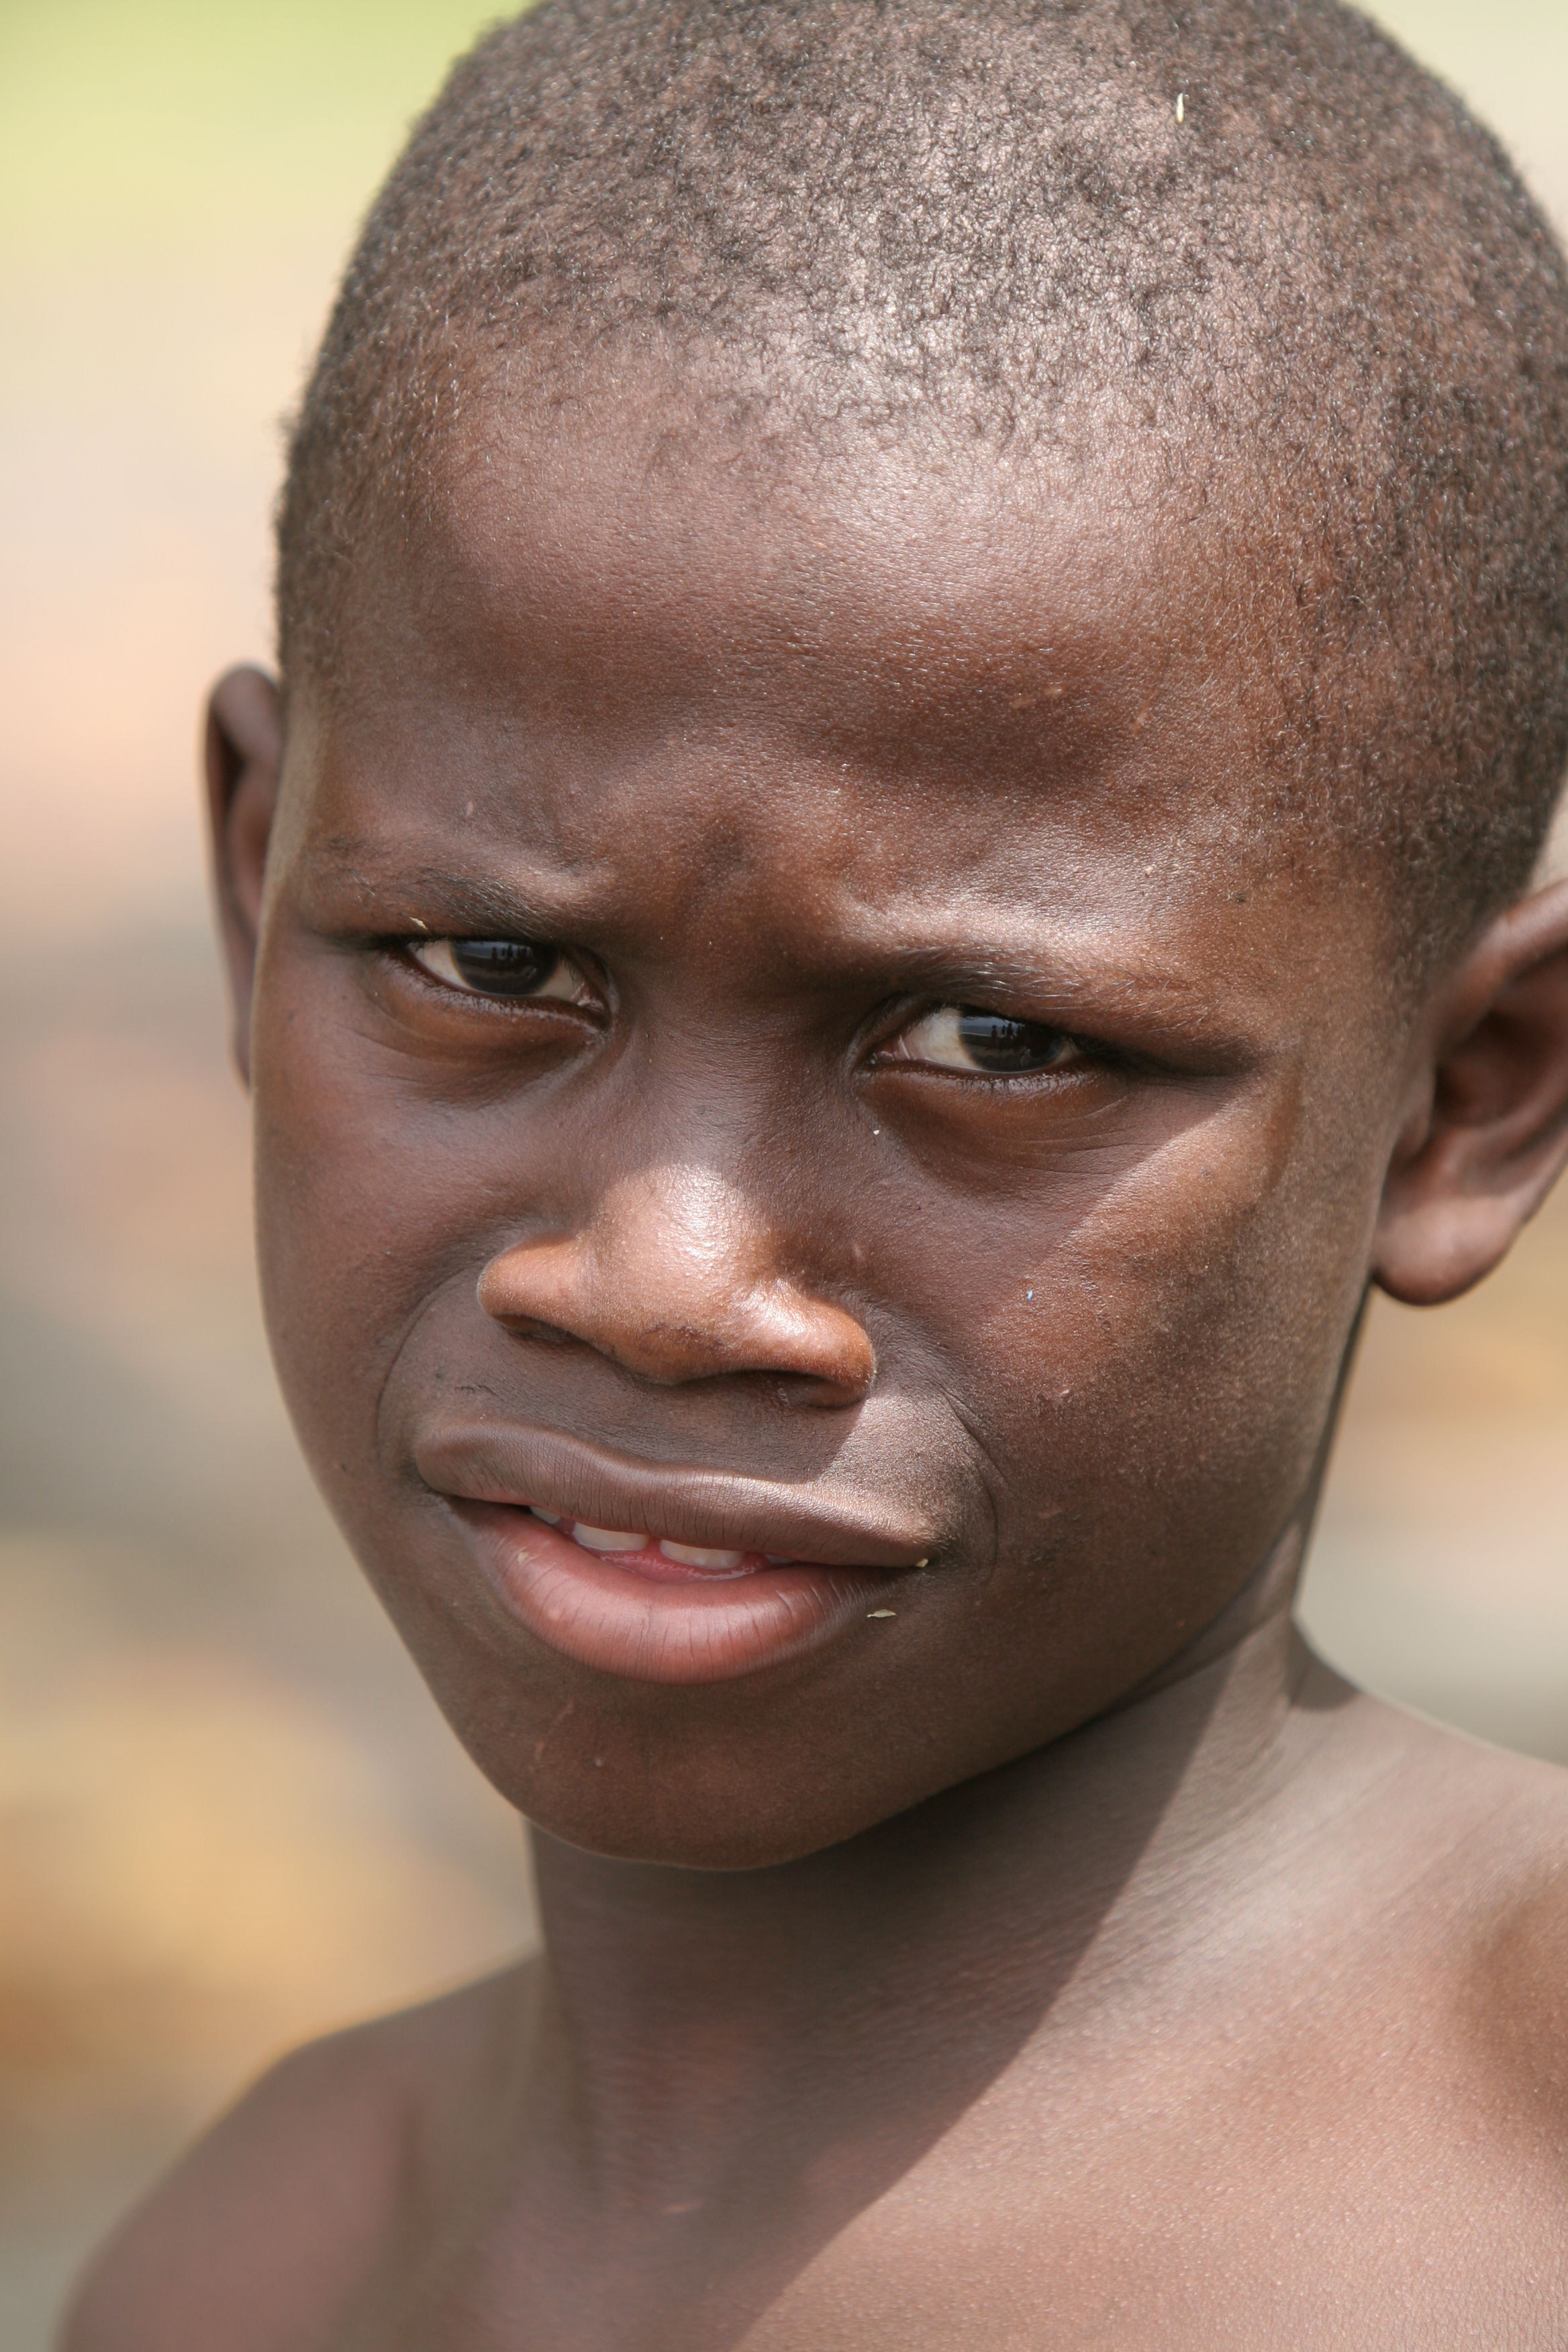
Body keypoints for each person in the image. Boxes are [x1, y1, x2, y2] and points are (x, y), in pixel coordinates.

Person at [63, 1, 1568, 2343]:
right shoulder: (255, 2267)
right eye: (492, 964)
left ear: (1469, 1098)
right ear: (261, 894)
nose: (662, 1277)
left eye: (996, 1044)